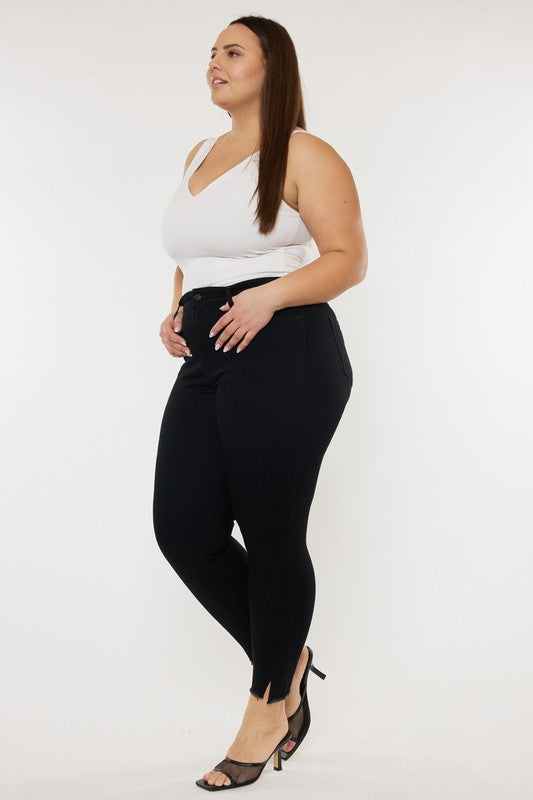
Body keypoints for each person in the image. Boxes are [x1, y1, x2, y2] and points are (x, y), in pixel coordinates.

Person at [153, 14, 368, 791]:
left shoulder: (304, 152)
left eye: (233, 51)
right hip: (210, 352)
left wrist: (268, 297)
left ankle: (267, 704)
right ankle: (289, 659)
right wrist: (175, 310)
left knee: (271, 532)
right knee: (183, 529)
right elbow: (196, 256)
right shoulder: (197, 154)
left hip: (287, 349)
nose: (214, 61)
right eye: (211, 51)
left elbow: (347, 259)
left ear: (271, 68)